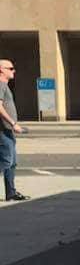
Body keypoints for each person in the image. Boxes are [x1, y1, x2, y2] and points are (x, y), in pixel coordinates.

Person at [0, 58, 27, 202]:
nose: (14, 71)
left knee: (12, 162)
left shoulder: (5, 85)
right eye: (10, 68)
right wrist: (13, 123)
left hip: (7, 130)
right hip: (2, 130)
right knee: (6, 161)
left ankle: (11, 193)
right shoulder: (0, 85)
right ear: (1, 70)